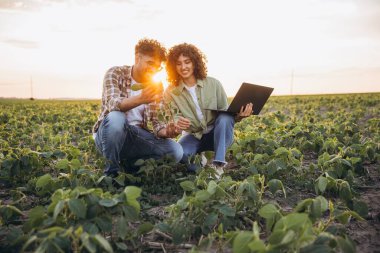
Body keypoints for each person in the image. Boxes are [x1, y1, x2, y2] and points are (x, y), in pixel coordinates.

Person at [93, 38, 183, 176]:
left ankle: (130, 166)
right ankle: (111, 174)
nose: (153, 69)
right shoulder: (115, 73)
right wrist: (141, 99)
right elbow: (113, 104)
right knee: (117, 117)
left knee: (176, 151)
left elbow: (156, 123)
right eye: (150, 63)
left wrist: (167, 131)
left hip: (136, 137)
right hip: (109, 136)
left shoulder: (156, 86)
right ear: (137, 58)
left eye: (157, 67)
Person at [164, 43, 252, 176]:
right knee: (182, 155)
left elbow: (227, 116)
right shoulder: (170, 91)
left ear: (194, 62)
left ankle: (218, 165)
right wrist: (177, 123)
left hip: (216, 135)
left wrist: (239, 116)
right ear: (173, 67)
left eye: (187, 62)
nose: (183, 67)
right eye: (178, 63)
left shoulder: (213, 83)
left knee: (224, 117)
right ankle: (200, 162)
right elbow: (173, 117)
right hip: (192, 135)